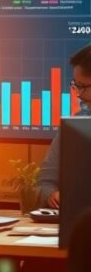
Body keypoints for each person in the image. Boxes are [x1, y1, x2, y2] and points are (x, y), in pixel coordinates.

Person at [38, 43, 91, 208]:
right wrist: (51, 195)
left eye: (83, 87)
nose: (79, 95)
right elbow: (45, 183)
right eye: (76, 86)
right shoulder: (75, 128)